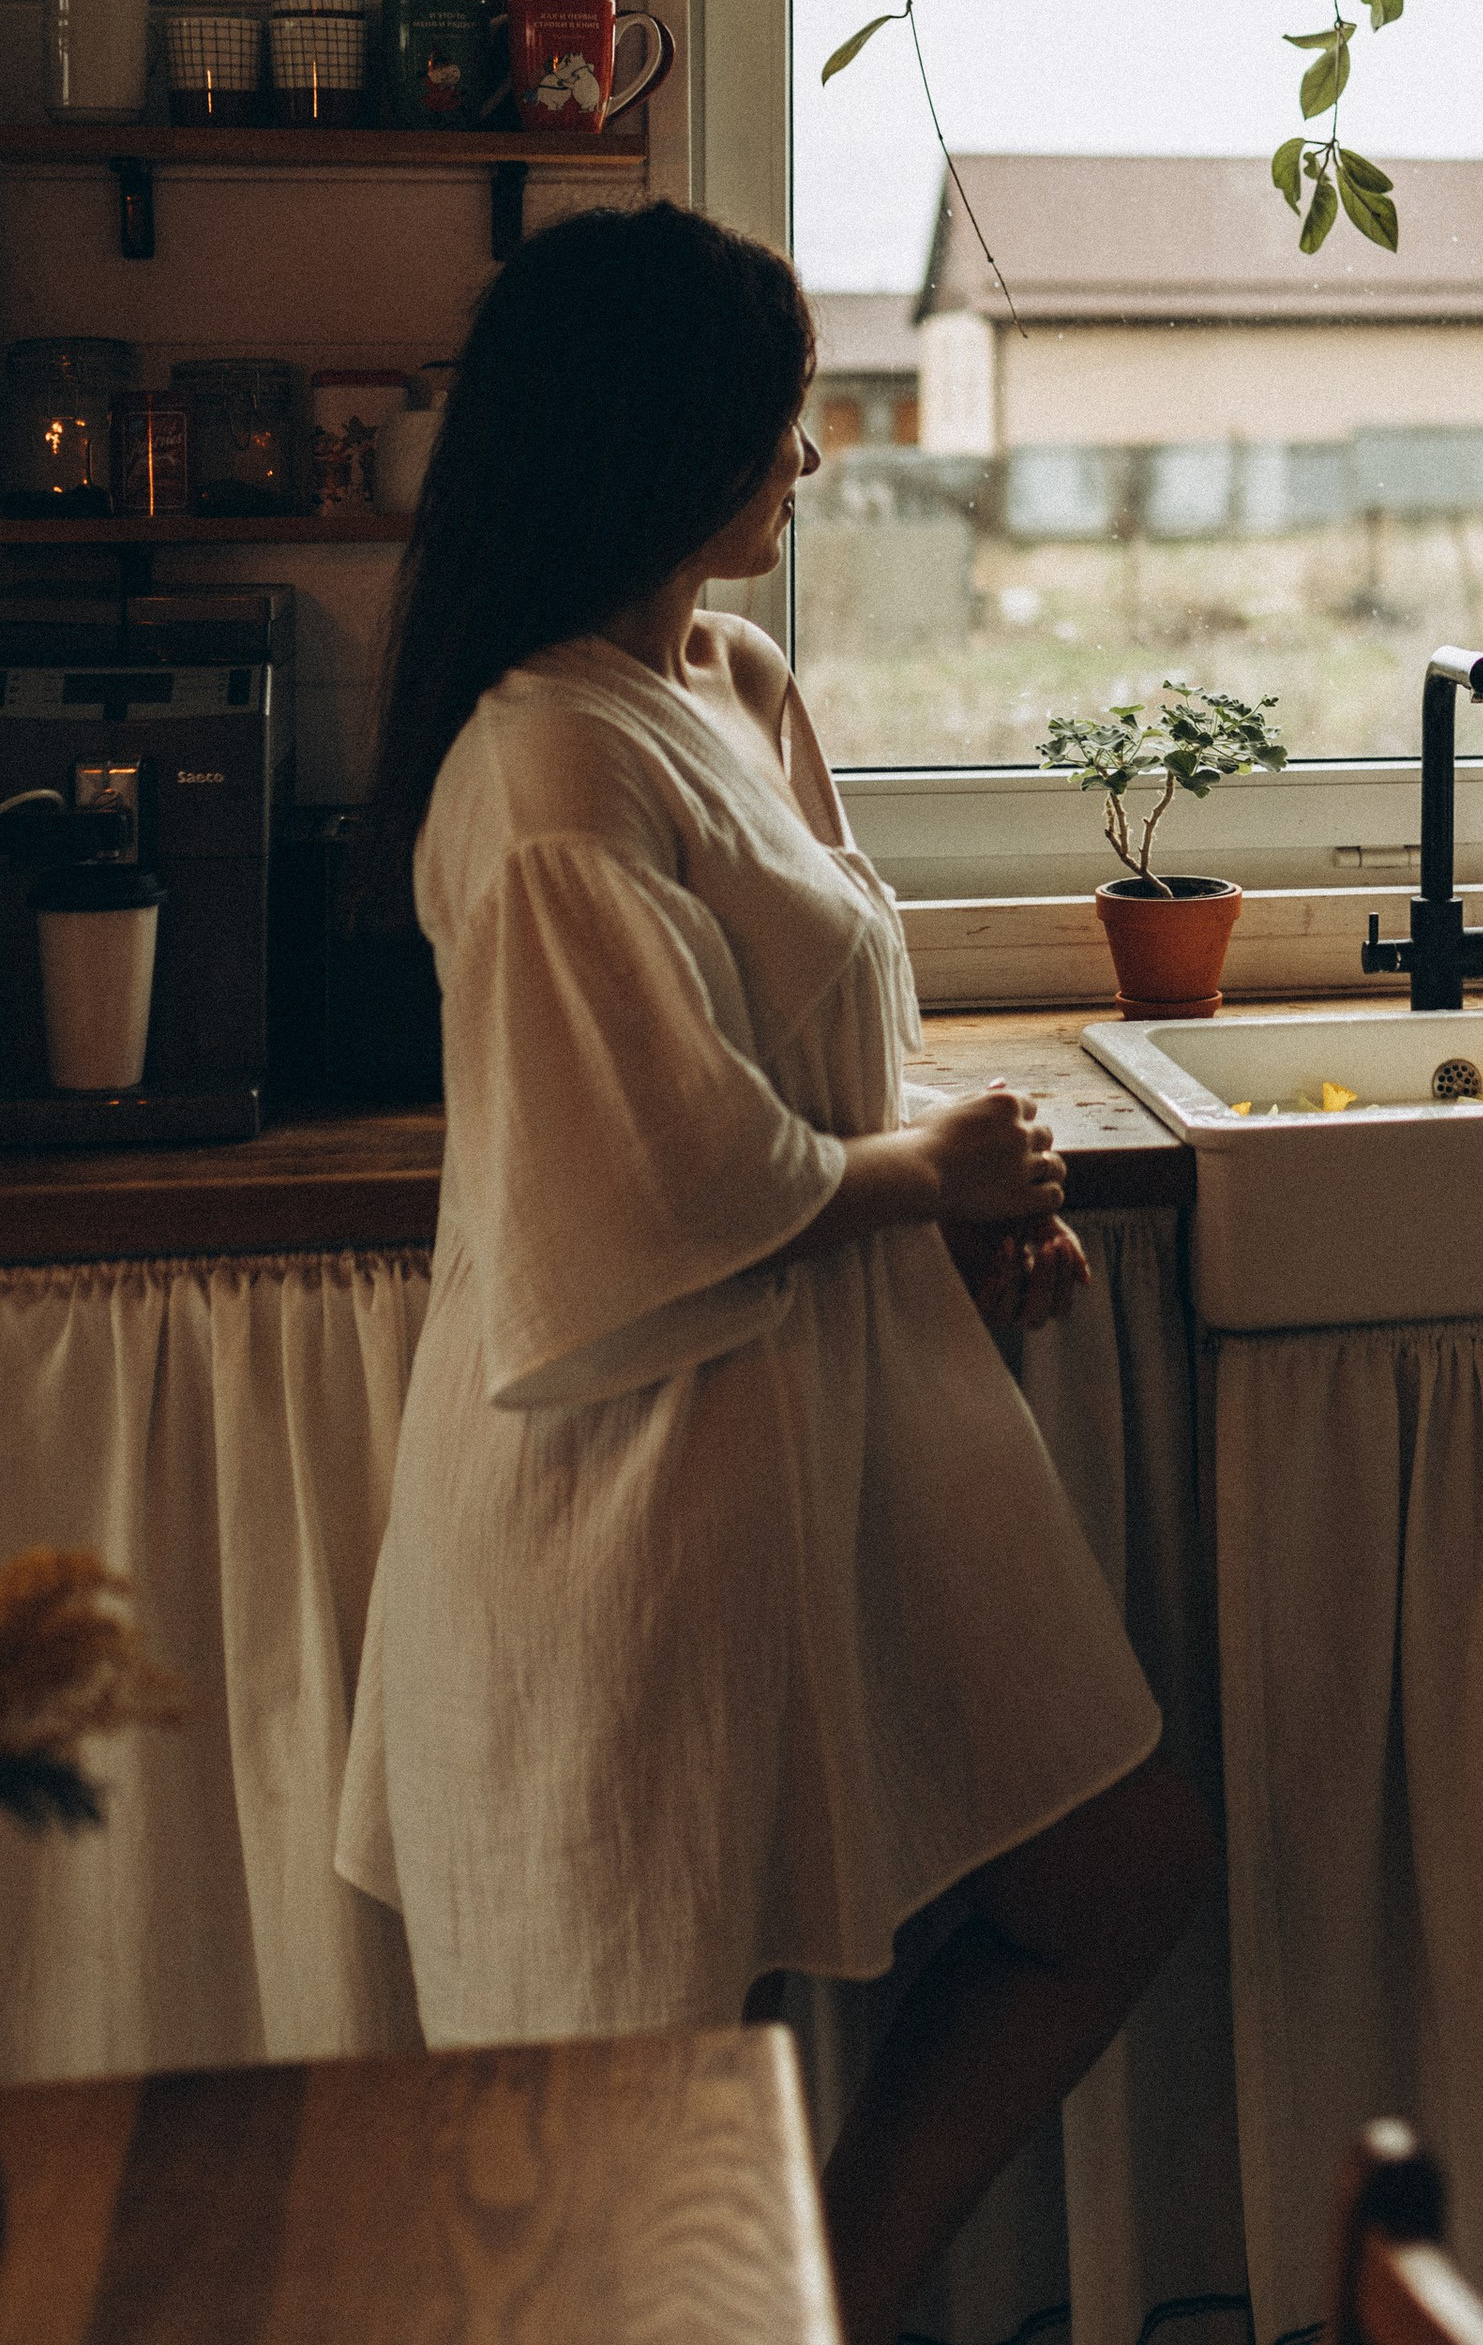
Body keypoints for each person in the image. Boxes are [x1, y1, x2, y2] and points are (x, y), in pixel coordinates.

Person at [336, 202, 1212, 2345]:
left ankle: (832, 2292)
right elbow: (639, 1175)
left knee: (1110, 1878)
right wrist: (921, 1176)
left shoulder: (726, 682)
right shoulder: (540, 760)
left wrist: (963, 1199)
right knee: (652, 2061)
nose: (811, 455)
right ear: (655, 435)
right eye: (773, 412)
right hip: (638, 1486)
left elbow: (839, 1029)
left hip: (860, 1428)